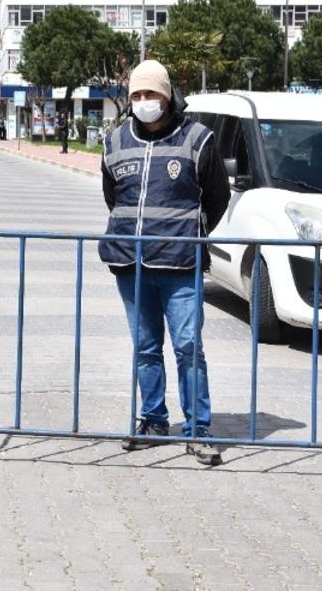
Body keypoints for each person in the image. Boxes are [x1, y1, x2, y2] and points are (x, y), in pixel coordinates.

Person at [98, 59, 230, 466]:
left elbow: (217, 199)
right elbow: (113, 196)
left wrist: (188, 234)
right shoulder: (115, 140)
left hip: (179, 265)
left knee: (189, 347)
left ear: (168, 96)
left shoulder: (199, 140)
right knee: (145, 348)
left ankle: (198, 430)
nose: (144, 101)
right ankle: (153, 419)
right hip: (131, 264)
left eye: (151, 94)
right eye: (137, 95)